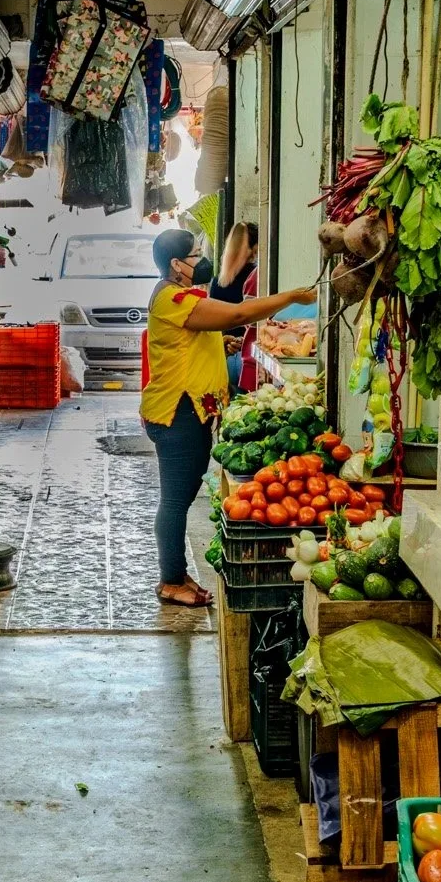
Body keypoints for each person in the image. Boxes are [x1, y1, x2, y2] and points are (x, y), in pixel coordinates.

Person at [141, 226, 315, 608]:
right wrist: (291, 298)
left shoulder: (178, 296)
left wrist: (219, 343)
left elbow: (188, 340)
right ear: (176, 265)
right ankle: (170, 581)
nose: (202, 259)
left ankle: (175, 571)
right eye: (195, 254)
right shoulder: (173, 298)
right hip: (177, 412)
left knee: (179, 497)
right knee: (175, 501)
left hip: (186, 410)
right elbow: (236, 312)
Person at [212, 223, 259, 392]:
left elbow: (215, 323)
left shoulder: (218, 281)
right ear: (255, 248)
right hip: (249, 356)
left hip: (225, 358)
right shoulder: (258, 277)